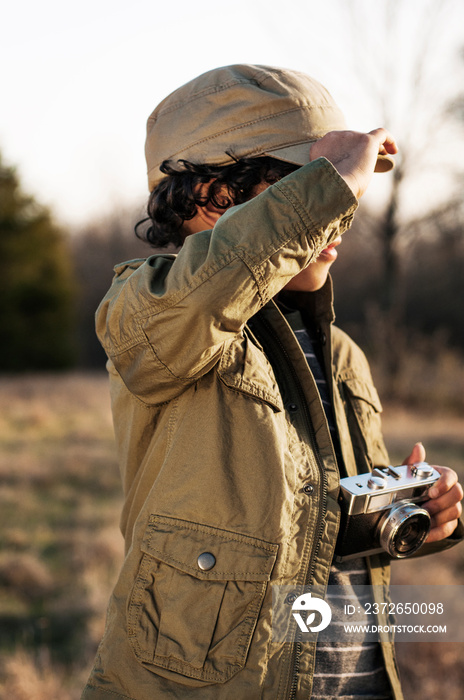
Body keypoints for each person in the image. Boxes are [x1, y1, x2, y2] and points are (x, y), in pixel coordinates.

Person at [82, 64, 463, 700]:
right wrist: (329, 182)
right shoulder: (149, 311)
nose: (337, 216)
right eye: (302, 186)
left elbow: (316, 533)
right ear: (205, 193)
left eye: (344, 192)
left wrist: (415, 516)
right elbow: (198, 302)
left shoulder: (341, 353)